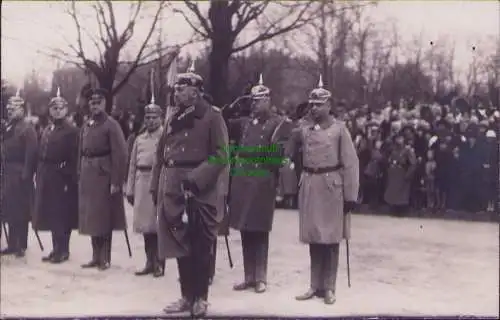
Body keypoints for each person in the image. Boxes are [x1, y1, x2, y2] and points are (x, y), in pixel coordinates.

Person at [150, 63, 229, 317]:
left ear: (195, 92)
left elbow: (220, 156)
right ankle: (186, 296)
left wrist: (196, 179)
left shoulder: (212, 116)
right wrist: (156, 186)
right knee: (180, 242)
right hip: (173, 187)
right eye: (176, 89)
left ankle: (201, 298)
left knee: (201, 243)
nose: (176, 93)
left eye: (181, 89)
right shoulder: (174, 117)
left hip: (199, 189)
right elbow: (161, 155)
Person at [284, 76, 359, 305]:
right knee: (314, 237)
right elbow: (288, 148)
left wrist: (350, 196)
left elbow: (350, 163)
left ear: (329, 106)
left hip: (331, 186)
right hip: (310, 183)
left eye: (319, 104)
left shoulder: (339, 130)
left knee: (331, 238)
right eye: (312, 104)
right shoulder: (304, 129)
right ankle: (314, 285)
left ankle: (329, 287)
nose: (314, 108)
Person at [228, 74, 293, 294]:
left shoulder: (278, 124)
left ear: (268, 101)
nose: (254, 104)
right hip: (243, 180)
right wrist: (236, 102)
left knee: (260, 230)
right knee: (245, 229)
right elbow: (224, 120)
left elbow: (276, 156)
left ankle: (261, 277)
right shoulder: (246, 123)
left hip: (263, 180)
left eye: (259, 100)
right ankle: (248, 276)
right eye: (252, 100)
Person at [78, 87, 128, 271]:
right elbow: (80, 150)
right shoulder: (87, 124)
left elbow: (120, 154)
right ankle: (95, 256)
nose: (95, 105)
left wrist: (116, 180)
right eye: (92, 102)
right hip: (88, 174)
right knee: (92, 217)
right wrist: (79, 172)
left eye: (98, 102)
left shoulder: (111, 125)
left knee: (104, 217)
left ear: (104, 104)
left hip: (104, 174)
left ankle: (105, 257)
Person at [32, 88, 79, 263]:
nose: (57, 111)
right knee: (51, 212)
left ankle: (64, 250)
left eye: (60, 108)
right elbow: (41, 153)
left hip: (62, 176)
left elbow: (74, 157)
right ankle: (55, 248)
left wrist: (69, 178)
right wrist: (39, 173)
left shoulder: (71, 131)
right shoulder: (48, 129)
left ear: (66, 110)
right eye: (54, 108)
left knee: (62, 213)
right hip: (47, 174)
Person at [126, 94, 165, 277]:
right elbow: (132, 165)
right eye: (147, 118)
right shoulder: (139, 139)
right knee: (145, 227)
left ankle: (160, 263)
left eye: (154, 117)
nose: (150, 121)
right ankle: (149, 261)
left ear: (161, 118)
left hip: (157, 181)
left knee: (158, 226)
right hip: (142, 181)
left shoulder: (165, 137)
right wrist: (130, 189)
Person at [0, 89, 38, 257]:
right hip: (7, 173)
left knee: (21, 210)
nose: (10, 112)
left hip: (20, 172)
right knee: (10, 209)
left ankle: (21, 244)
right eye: (8, 109)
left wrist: (27, 173)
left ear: (21, 110)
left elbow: (31, 153)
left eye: (13, 109)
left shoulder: (27, 128)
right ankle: (12, 243)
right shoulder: (9, 128)